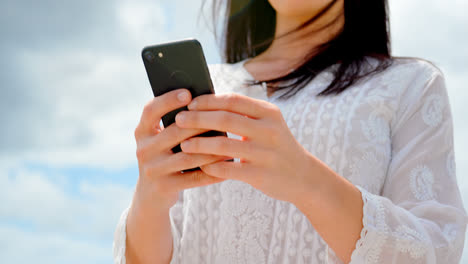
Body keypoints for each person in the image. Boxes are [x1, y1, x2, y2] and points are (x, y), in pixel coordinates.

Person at [113, 0, 467, 263]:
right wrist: (150, 197)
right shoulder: (212, 87)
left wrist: (307, 180)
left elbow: (437, 251)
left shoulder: (409, 86)